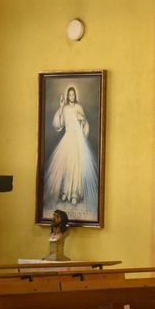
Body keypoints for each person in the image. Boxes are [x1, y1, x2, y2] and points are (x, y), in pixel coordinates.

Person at [44, 84, 101, 222]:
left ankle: (74, 193)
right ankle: (65, 192)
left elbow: (85, 123)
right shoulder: (64, 108)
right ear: (67, 96)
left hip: (77, 139)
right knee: (66, 165)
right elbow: (58, 125)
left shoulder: (79, 107)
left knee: (76, 166)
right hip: (67, 138)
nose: (71, 96)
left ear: (75, 95)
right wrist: (61, 107)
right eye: (69, 95)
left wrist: (82, 121)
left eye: (73, 94)